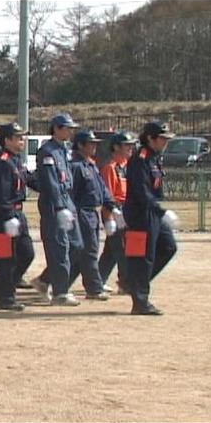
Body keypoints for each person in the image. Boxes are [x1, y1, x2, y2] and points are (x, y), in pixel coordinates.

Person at [123, 121, 178, 315]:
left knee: (168, 246)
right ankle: (140, 302)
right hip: (140, 215)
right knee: (142, 257)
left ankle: (135, 283)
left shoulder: (154, 158)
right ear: (150, 139)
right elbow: (141, 192)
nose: (165, 142)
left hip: (152, 212)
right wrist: (162, 211)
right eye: (162, 139)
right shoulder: (140, 158)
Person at [0, 123, 37, 310]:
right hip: (3, 215)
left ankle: (0, 285)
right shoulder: (1, 162)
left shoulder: (15, 160)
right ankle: (5, 298)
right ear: (7, 140)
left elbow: (28, 179)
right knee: (5, 258)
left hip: (16, 213)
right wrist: (7, 216)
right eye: (19, 137)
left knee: (26, 253)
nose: (23, 141)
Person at [32, 113, 84, 306]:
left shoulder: (63, 150)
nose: (70, 131)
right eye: (67, 128)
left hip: (67, 201)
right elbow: (49, 182)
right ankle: (60, 292)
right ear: (56, 128)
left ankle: (45, 280)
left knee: (76, 246)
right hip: (54, 205)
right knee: (59, 248)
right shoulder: (47, 151)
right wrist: (60, 206)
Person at [68, 129, 116, 301]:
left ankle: (57, 282)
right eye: (91, 143)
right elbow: (70, 192)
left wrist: (111, 205)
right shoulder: (75, 166)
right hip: (81, 211)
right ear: (80, 145)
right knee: (89, 250)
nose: (95, 146)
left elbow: (102, 188)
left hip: (92, 212)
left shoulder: (90, 164)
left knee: (83, 252)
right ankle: (94, 288)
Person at [98, 130, 138, 295]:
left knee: (112, 250)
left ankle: (97, 279)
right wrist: (109, 219)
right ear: (116, 147)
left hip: (127, 209)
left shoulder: (127, 167)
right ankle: (126, 283)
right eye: (126, 145)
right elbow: (107, 195)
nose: (130, 148)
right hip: (115, 210)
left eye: (131, 145)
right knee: (121, 249)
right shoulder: (110, 168)